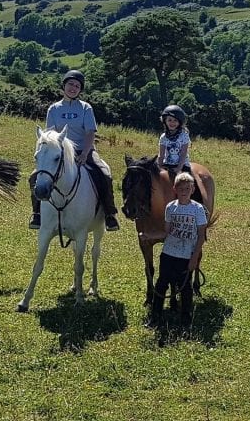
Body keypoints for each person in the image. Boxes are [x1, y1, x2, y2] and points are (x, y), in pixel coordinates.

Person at [28, 69, 120, 230]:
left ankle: (109, 214)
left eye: (77, 86)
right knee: (34, 177)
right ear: (64, 86)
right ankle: (37, 214)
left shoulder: (85, 108)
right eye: (70, 84)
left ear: (80, 90)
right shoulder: (54, 109)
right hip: (60, 152)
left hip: (84, 150)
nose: (73, 88)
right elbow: (50, 135)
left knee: (104, 173)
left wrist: (85, 153)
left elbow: (90, 132)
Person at [140, 172, 209, 328]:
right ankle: (155, 317)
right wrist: (149, 235)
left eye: (187, 188)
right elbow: (167, 232)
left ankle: (185, 320)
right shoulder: (170, 208)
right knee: (161, 285)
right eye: (180, 188)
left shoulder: (198, 210)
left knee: (185, 288)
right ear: (175, 189)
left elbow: (201, 236)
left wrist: (194, 258)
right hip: (168, 253)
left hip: (186, 255)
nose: (184, 191)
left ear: (192, 190)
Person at [157, 104, 192, 177]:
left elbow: (183, 154)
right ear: (165, 121)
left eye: (175, 120)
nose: (172, 123)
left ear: (180, 122)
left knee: (187, 182)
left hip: (182, 165)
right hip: (167, 164)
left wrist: (178, 168)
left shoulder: (184, 136)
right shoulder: (163, 137)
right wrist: (159, 167)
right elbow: (161, 155)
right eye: (169, 120)